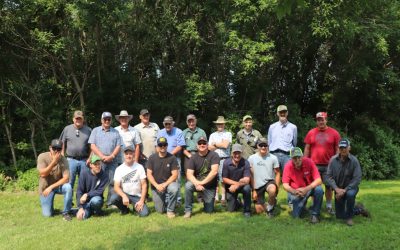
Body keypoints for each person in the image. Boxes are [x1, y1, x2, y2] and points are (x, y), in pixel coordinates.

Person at [327, 139, 370, 226]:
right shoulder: (333, 160)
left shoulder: (354, 161)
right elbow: (329, 176)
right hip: (338, 189)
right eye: (341, 147)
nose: (343, 149)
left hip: (350, 188)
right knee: (339, 216)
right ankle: (359, 210)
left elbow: (357, 179)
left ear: (349, 148)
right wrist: (336, 189)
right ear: (338, 148)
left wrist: (345, 190)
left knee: (350, 195)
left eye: (345, 147)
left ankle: (349, 218)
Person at [304, 111, 340, 214]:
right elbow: (307, 148)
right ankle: (315, 206)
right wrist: (305, 161)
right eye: (318, 120)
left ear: (326, 120)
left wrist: (337, 161)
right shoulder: (311, 132)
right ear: (317, 121)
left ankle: (329, 206)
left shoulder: (334, 133)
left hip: (329, 165)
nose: (320, 122)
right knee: (315, 186)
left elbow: (337, 148)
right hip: (314, 165)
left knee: (329, 186)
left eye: (322, 119)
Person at [88, 111, 122, 206]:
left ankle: (111, 202)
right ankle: (98, 200)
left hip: (112, 161)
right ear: (101, 120)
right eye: (105, 119)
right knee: (98, 181)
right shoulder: (95, 130)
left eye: (109, 119)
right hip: (98, 161)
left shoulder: (116, 132)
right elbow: (92, 145)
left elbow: (118, 146)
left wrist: (111, 156)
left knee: (112, 182)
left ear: (111, 120)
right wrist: (101, 156)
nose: (107, 121)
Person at [282, 147, 324, 223]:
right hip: (296, 192)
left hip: (309, 188)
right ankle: (302, 207)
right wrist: (294, 191)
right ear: (291, 158)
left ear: (302, 156)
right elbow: (285, 184)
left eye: (299, 157)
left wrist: (306, 189)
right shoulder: (288, 166)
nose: (297, 160)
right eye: (295, 158)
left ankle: (315, 215)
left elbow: (319, 180)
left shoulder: (309, 162)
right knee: (296, 216)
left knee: (319, 190)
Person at [37, 139, 72, 221]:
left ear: (61, 149)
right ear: (50, 148)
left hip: (57, 186)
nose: (56, 151)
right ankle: (52, 209)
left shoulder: (64, 160)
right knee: (47, 214)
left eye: (59, 149)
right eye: (54, 148)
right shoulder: (42, 156)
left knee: (68, 187)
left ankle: (66, 213)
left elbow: (66, 178)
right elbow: (42, 174)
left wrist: (51, 187)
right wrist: (53, 162)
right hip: (45, 187)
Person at [184, 136, 219, 218]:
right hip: (197, 184)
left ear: (207, 144)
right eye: (200, 143)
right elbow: (189, 174)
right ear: (197, 145)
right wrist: (197, 184)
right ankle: (188, 211)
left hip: (210, 186)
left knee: (209, 211)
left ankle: (207, 203)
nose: (202, 145)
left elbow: (214, 172)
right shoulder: (193, 157)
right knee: (188, 185)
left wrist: (201, 183)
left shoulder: (214, 155)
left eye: (204, 143)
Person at [110, 146, 149, 217]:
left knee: (144, 214)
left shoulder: (139, 167)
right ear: (124, 155)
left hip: (137, 196)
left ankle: (135, 207)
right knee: (113, 198)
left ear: (134, 154)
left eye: (130, 154)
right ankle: (124, 209)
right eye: (126, 154)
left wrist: (142, 200)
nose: (128, 156)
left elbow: (144, 185)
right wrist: (124, 196)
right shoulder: (119, 169)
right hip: (125, 194)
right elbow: (116, 187)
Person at [59, 110, 92, 194]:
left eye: (80, 118)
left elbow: (92, 146)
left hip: (84, 160)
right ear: (73, 119)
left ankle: (82, 202)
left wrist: (90, 158)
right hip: (70, 160)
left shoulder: (88, 130)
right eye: (76, 118)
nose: (78, 120)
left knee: (84, 182)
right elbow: (62, 143)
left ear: (83, 119)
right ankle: (69, 202)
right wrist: (62, 156)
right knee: (69, 181)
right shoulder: (67, 129)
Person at [146, 137, 179, 218]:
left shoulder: (172, 158)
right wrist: (157, 186)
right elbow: (149, 174)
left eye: (164, 145)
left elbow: (175, 175)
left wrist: (164, 185)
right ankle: (170, 202)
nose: (162, 146)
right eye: (160, 145)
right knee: (160, 210)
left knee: (174, 188)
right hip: (156, 186)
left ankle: (170, 210)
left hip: (168, 184)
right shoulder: (152, 158)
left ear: (167, 145)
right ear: (157, 146)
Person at [248, 138, 280, 217]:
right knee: (259, 211)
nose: (263, 147)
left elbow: (278, 173)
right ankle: (270, 202)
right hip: (257, 185)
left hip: (269, 182)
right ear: (257, 146)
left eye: (265, 145)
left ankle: (270, 210)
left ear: (268, 146)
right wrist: (254, 190)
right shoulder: (251, 158)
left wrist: (277, 188)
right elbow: (250, 175)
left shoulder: (273, 158)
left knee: (272, 190)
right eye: (261, 145)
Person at [157, 116, 186, 203]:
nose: (168, 125)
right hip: (162, 158)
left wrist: (169, 155)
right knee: (164, 178)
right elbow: (157, 146)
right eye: (166, 124)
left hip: (175, 158)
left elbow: (180, 146)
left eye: (169, 123)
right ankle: (166, 198)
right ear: (163, 124)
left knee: (177, 178)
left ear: (172, 123)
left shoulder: (178, 131)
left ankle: (178, 199)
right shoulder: (160, 132)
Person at [134, 109, 159, 200]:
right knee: (143, 178)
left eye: (147, 115)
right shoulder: (136, 128)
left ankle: (158, 195)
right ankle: (145, 196)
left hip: (155, 157)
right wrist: (139, 154)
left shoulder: (155, 126)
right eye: (144, 115)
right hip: (142, 157)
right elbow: (135, 143)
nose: (146, 116)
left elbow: (159, 140)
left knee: (155, 177)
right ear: (140, 117)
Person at [222, 144, 252, 217]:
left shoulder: (246, 162)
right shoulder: (226, 162)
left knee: (247, 189)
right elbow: (224, 179)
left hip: (243, 186)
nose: (237, 155)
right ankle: (238, 202)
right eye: (235, 153)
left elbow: (247, 180)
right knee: (231, 210)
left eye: (239, 153)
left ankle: (247, 211)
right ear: (232, 153)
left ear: (241, 153)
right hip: (230, 187)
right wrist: (236, 184)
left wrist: (237, 185)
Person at [76, 154, 109, 220]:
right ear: (90, 165)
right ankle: (91, 211)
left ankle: (95, 210)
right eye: (95, 164)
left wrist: (87, 194)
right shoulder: (84, 173)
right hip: (84, 202)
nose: (98, 166)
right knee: (82, 217)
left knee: (96, 201)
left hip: (96, 199)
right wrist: (80, 207)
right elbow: (79, 191)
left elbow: (99, 191)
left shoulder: (104, 175)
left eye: (99, 164)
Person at [208, 116, 232, 205]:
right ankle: (216, 197)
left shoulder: (228, 134)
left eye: (221, 124)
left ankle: (223, 198)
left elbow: (225, 145)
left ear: (224, 124)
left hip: (225, 159)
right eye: (218, 124)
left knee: (223, 179)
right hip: (214, 159)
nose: (220, 125)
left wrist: (215, 144)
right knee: (215, 178)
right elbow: (209, 148)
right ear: (216, 125)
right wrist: (220, 144)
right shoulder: (212, 135)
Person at [267, 105, 297, 171]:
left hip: (287, 156)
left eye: (284, 112)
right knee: (273, 177)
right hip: (274, 155)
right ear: (277, 113)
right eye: (280, 112)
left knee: (288, 177)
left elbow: (294, 143)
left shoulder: (293, 127)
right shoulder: (272, 127)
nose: (282, 114)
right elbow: (269, 142)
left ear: (287, 113)